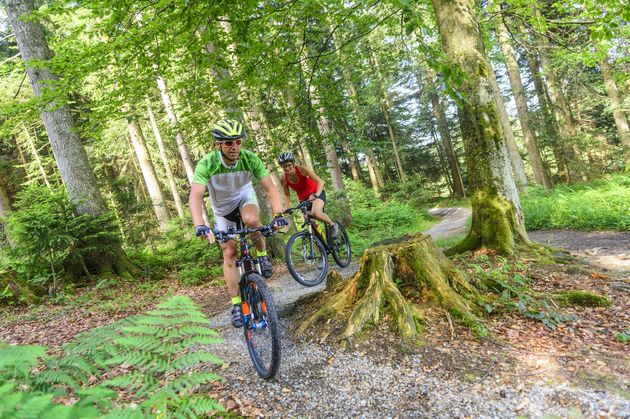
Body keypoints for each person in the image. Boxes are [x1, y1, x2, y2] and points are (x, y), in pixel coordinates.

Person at [189, 118, 288, 328]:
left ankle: (262, 257)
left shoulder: (249, 158)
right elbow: (196, 195)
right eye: (228, 143)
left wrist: (278, 214)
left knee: (252, 221)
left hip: (245, 198)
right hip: (222, 210)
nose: (234, 147)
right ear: (219, 145)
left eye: (238, 142)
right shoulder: (208, 163)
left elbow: (270, 188)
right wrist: (200, 224)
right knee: (229, 253)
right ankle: (236, 304)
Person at [278, 151, 338, 238]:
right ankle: (322, 248)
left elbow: (321, 182)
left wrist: (315, 195)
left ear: (293, 164)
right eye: (284, 166)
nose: (287, 168)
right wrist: (285, 207)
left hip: (317, 192)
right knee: (311, 227)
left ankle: (332, 224)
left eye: (289, 165)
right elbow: (287, 195)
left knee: (315, 212)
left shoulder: (301, 169)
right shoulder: (283, 178)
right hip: (303, 199)